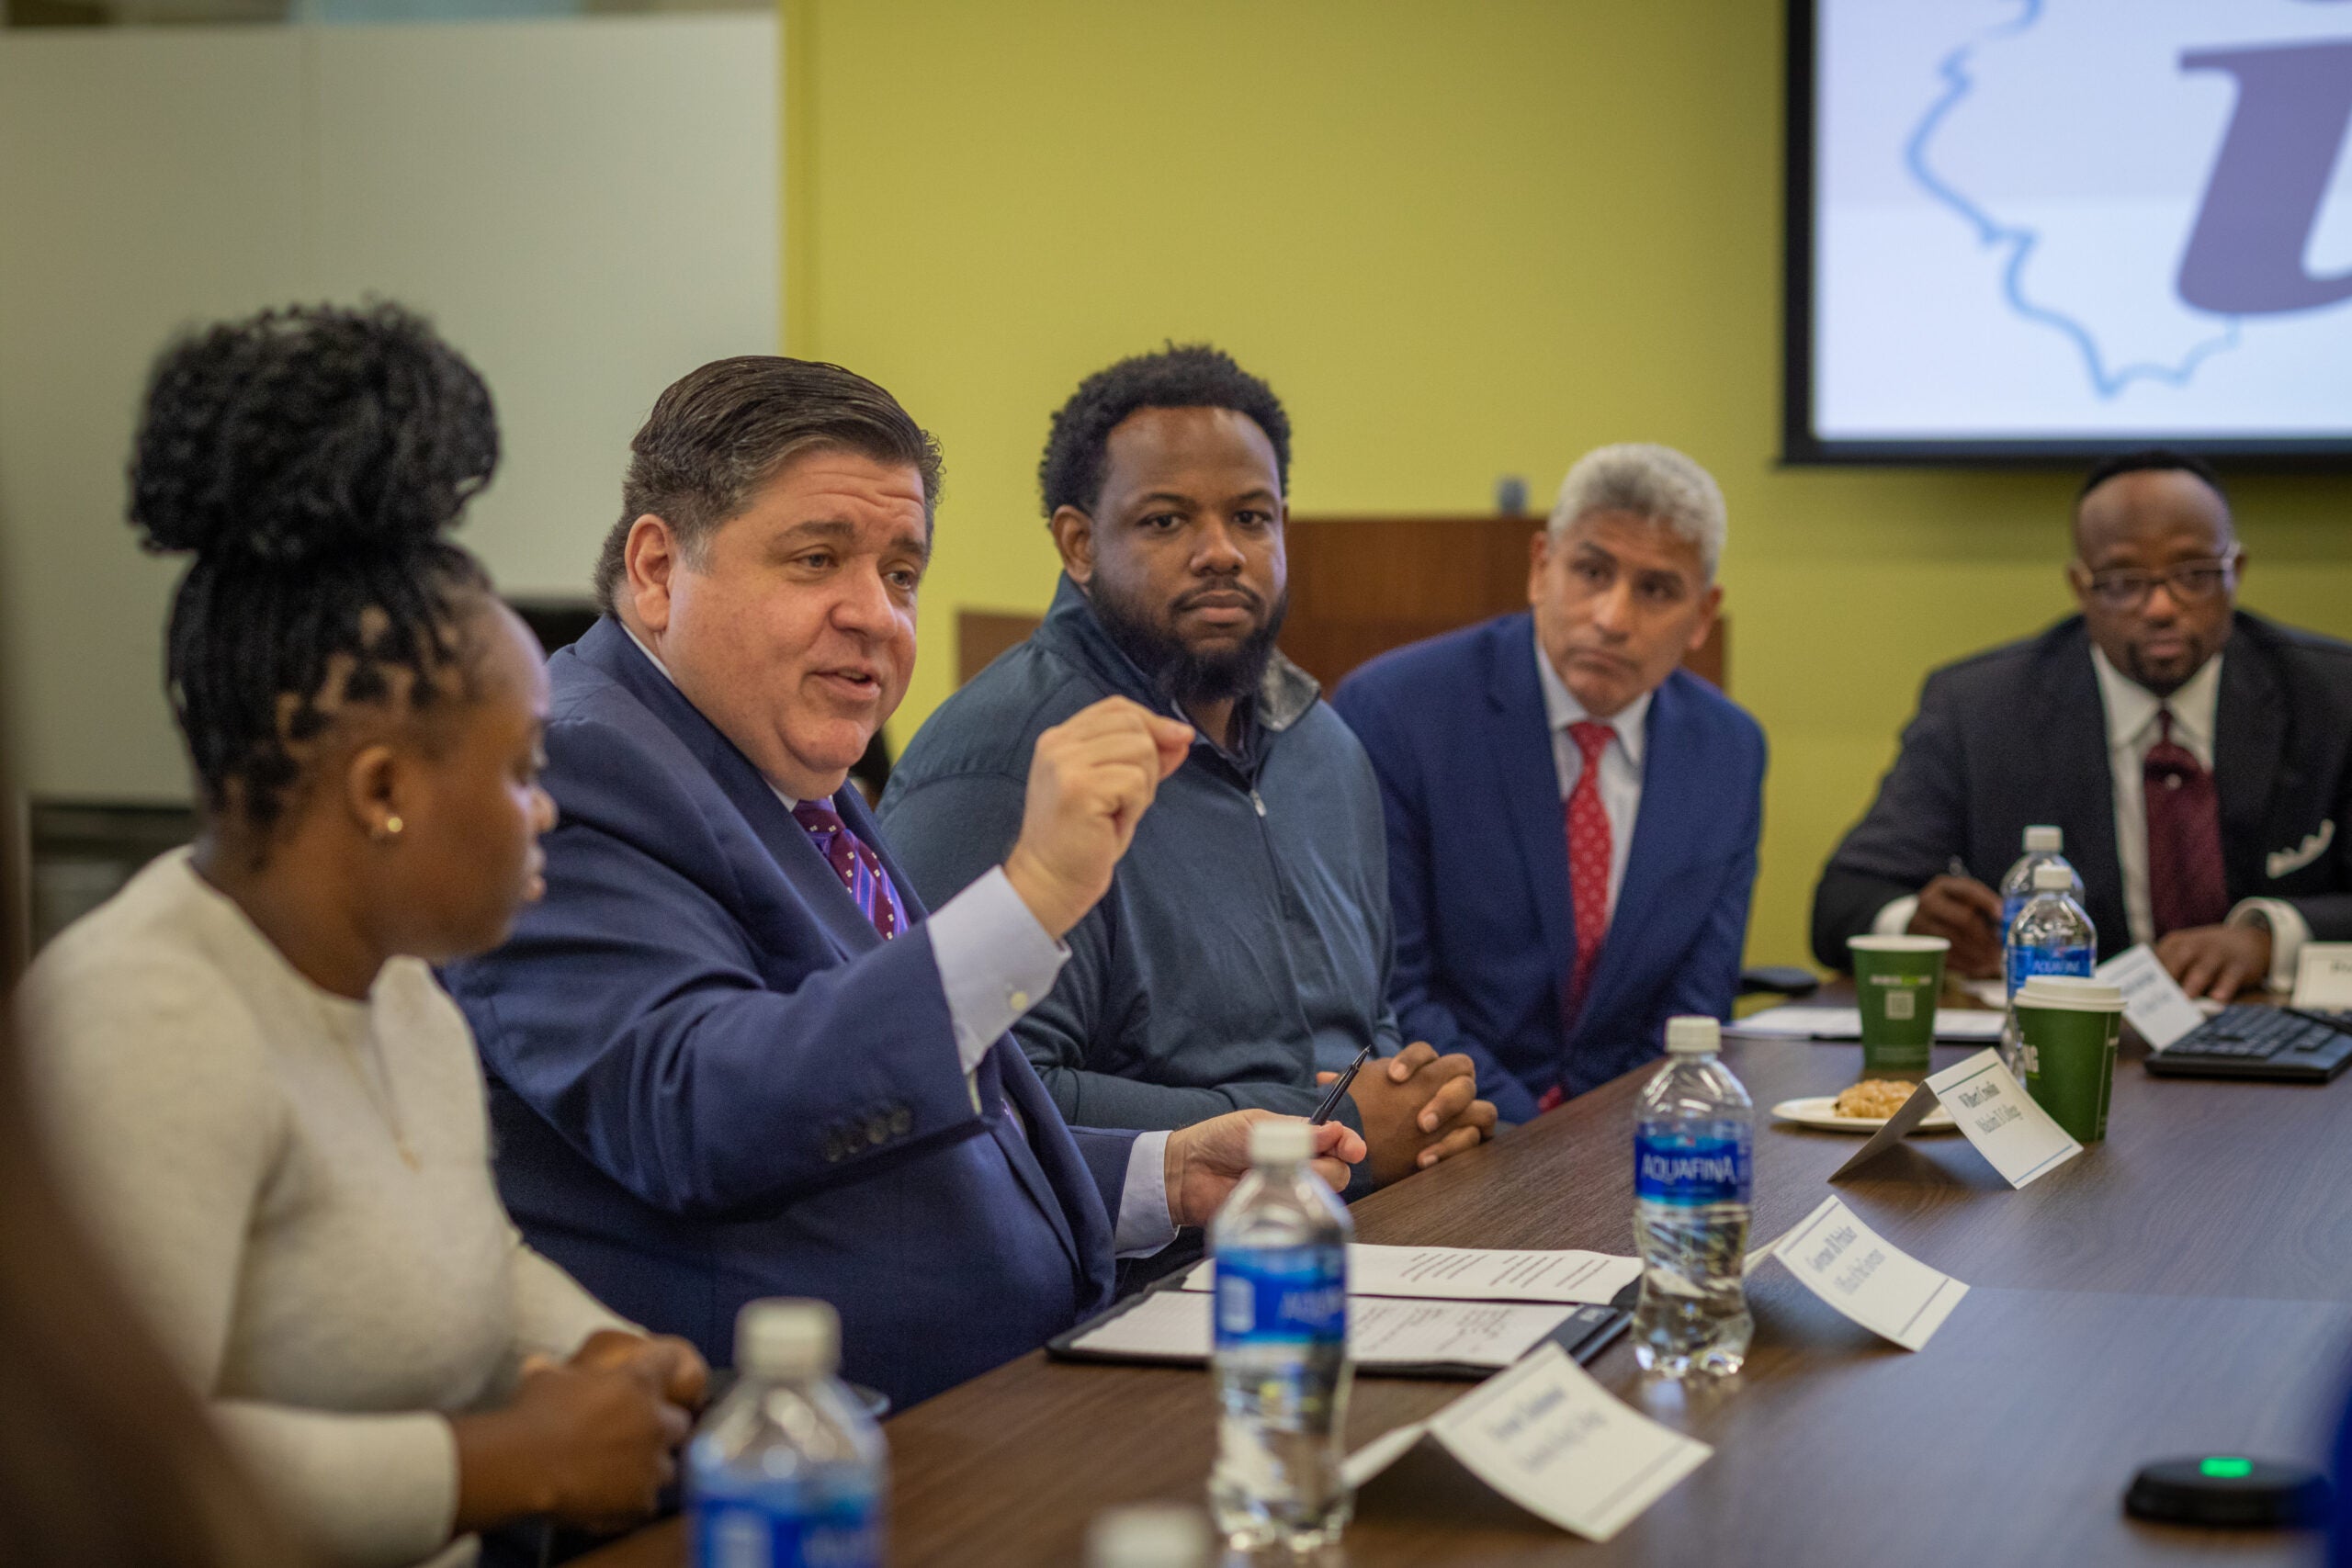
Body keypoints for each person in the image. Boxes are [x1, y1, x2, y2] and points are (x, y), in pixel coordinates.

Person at [440, 355, 1362, 1411]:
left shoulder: (779, 769)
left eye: (901, 573)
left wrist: (1159, 1174)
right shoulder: (575, 764)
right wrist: (1027, 901)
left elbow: (901, 1123)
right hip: (788, 1464)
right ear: (657, 571)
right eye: (817, 558)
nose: (875, 614)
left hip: (992, 1408)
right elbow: (698, 1108)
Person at [17, 305, 707, 1568]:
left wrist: (600, 1349)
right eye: (522, 766)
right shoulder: (143, 1017)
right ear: (383, 786)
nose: (545, 806)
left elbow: (461, 1260)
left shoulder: (399, 988)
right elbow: (103, 1467)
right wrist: (504, 1461)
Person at [878, 344, 1494, 1190]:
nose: (1222, 552)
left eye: (1252, 517)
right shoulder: (1000, 758)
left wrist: (1419, 1111)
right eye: (1166, 521)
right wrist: (1326, 1131)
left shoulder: (1328, 747)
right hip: (1133, 1273)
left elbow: (1365, 1022)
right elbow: (983, 1094)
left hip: (1366, 1228)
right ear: (1078, 543)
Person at [1812, 448, 2352, 998]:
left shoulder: (2333, 696)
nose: (2162, 606)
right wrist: (1917, 925)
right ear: (2080, 585)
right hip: (2063, 1040)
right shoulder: (1981, 710)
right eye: (2123, 580)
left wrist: (2270, 938)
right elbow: (1844, 900)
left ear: (2235, 572)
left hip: (2272, 1033)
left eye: (2194, 575)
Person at [1330, 445, 1765, 1123]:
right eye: (1591, 571)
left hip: (1634, 1141)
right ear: (1540, 568)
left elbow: (1695, 1004)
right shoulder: (1398, 713)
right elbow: (1391, 990)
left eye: (1656, 589)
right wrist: (1538, 1144)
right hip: (1455, 1134)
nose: (1613, 617)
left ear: (1703, 614)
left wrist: (1620, 1137)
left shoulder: (1729, 751)